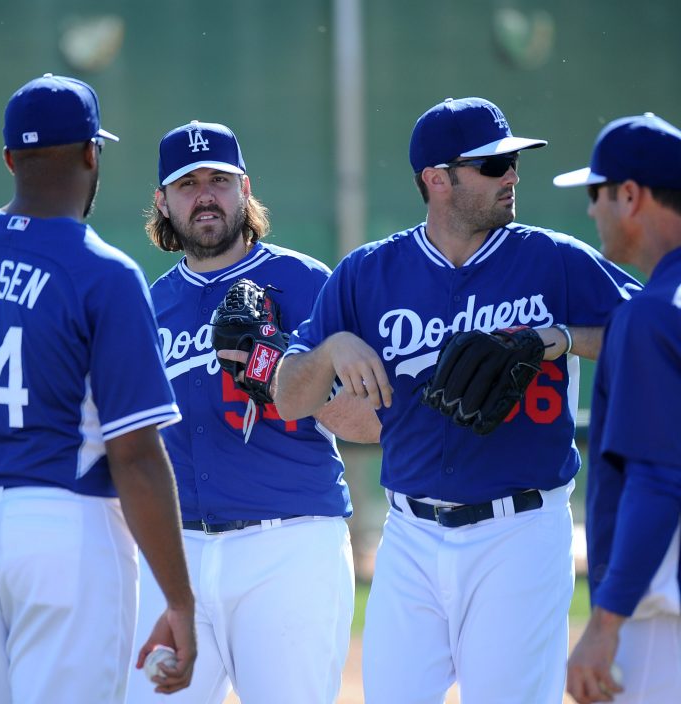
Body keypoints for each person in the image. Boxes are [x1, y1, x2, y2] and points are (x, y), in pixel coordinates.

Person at [274, 97, 640, 704]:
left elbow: (653, 331)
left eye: (512, 163)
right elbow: (288, 397)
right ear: (437, 179)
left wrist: (561, 338)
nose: (512, 176)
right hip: (410, 536)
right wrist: (333, 347)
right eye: (493, 166)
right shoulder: (368, 273)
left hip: (519, 530)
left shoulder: (553, 259)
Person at [0, 73, 196, 704]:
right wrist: (180, 600)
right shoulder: (104, 272)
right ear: (93, 153)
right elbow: (136, 456)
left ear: (9, 159)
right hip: (64, 527)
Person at [125, 120, 379, 704]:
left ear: (245, 189)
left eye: (219, 179)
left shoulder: (308, 283)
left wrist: (279, 379)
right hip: (176, 554)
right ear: (163, 202)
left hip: (287, 548)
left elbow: (374, 423)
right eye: (188, 184)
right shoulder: (149, 306)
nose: (205, 195)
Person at [554, 113, 681, 704]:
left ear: (630, 195)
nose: (590, 210)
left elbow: (657, 481)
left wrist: (605, 626)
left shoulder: (651, 314)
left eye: (595, 193)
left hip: (664, 616)